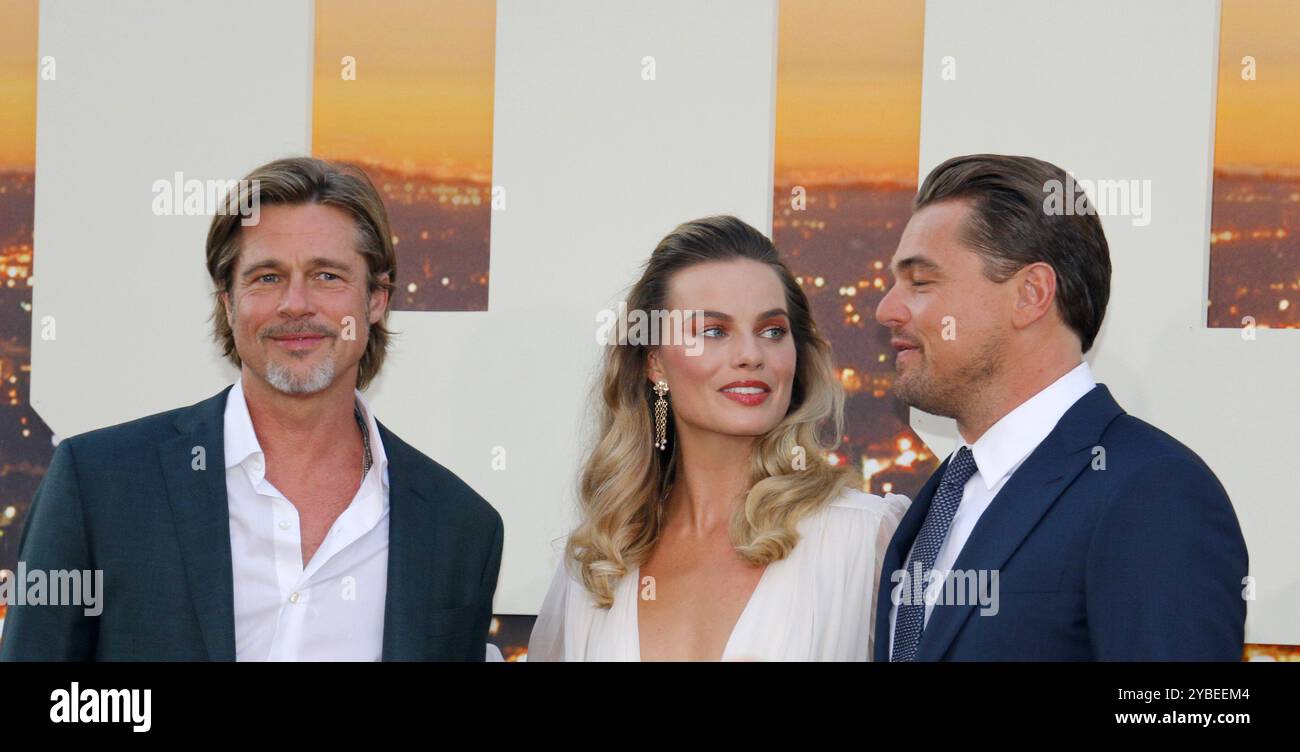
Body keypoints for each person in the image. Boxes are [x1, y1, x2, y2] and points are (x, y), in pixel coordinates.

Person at [0, 157, 502, 661]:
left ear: (375, 300)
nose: (296, 304)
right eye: (267, 277)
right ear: (227, 302)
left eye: (327, 276)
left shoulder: (460, 528)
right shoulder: (99, 485)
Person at [873, 154, 1248, 661]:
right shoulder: (945, 496)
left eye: (921, 282)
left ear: (1030, 295)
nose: (887, 309)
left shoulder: (1152, 492)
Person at [528, 215, 908, 661]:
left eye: (772, 331)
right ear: (655, 363)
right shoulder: (600, 560)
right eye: (713, 331)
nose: (751, 355)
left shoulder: (863, 537)